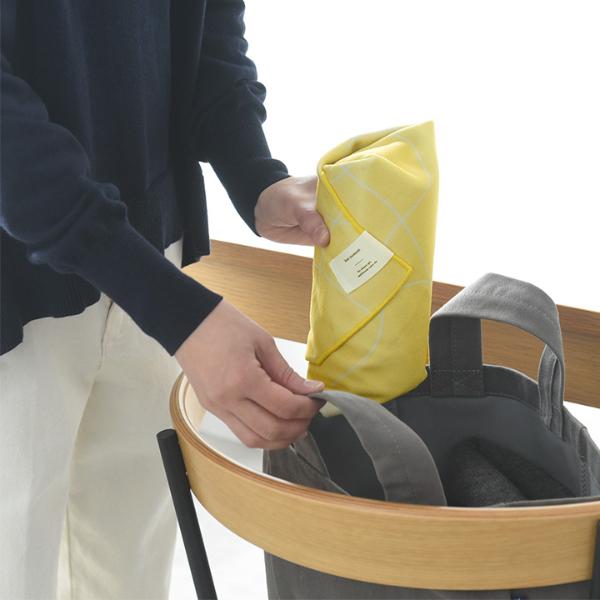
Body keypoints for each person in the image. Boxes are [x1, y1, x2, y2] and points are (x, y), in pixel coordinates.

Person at [0, 1, 330, 598]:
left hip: (151, 252)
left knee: (130, 577)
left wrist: (254, 173)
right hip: (19, 296)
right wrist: (177, 312)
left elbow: (207, 22)